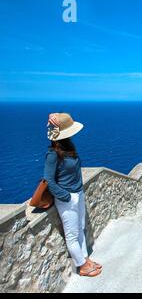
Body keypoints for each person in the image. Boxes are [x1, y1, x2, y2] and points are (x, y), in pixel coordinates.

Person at [44, 113, 102, 277]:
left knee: (80, 228)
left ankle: (85, 259)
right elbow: (48, 180)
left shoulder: (68, 147)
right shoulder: (53, 154)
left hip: (78, 193)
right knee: (71, 234)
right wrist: (66, 196)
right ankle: (81, 266)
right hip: (67, 198)